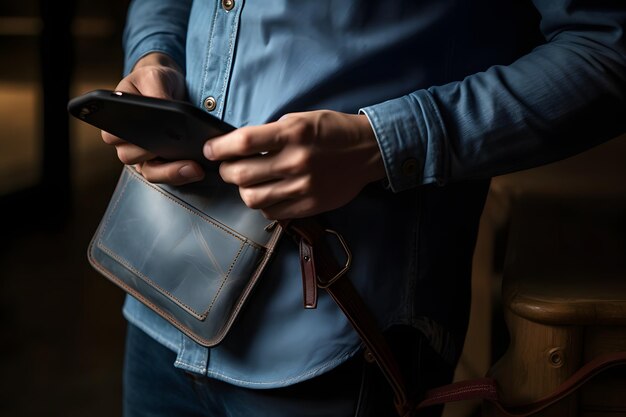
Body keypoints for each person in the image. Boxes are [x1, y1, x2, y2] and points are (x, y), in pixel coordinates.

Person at [101, 1, 626, 416]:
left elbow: (608, 48)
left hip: (337, 338)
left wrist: (381, 144)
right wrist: (153, 55)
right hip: (160, 297)